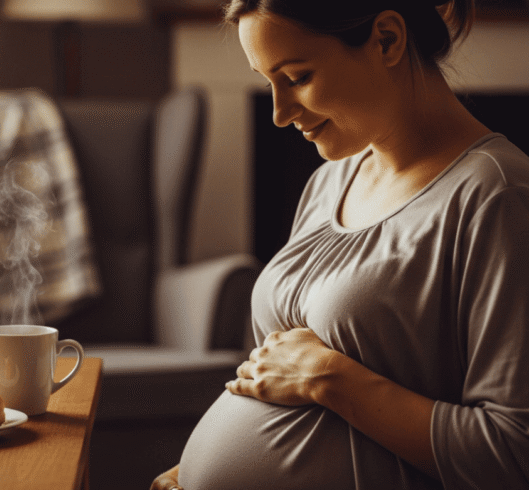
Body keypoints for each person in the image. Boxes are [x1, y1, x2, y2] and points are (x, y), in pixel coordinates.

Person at [151, 0, 529, 488]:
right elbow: (277, 379)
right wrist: (192, 471)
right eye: (268, 81)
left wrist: (330, 379)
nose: (279, 114)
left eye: (297, 77)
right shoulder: (329, 182)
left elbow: (514, 452)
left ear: (387, 39)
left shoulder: (497, 196)